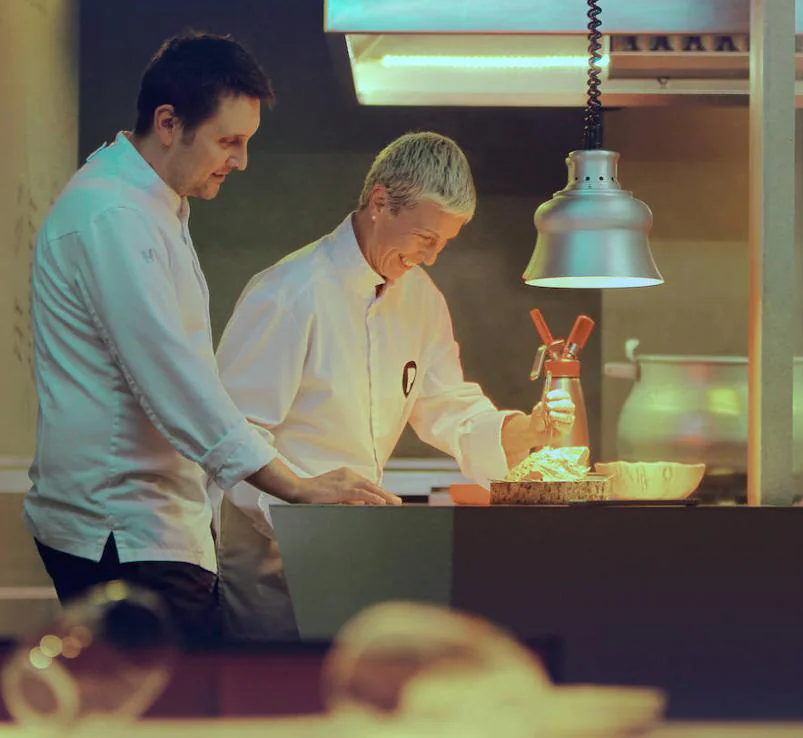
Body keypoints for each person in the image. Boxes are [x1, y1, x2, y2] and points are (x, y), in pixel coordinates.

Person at [25, 32, 400, 649]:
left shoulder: (150, 206)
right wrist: (295, 484)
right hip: (123, 530)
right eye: (230, 141)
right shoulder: (114, 217)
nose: (242, 161)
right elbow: (172, 378)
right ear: (168, 123)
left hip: (150, 523)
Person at [214, 130, 576, 641]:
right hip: (272, 554)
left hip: (358, 549)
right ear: (380, 202)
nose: (431, 258)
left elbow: (447, 404)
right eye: (426, 240)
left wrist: (523, 429)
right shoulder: (289, 293)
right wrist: (303, 511)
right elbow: (232, 435)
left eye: (444, 245)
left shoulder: (421, 298)